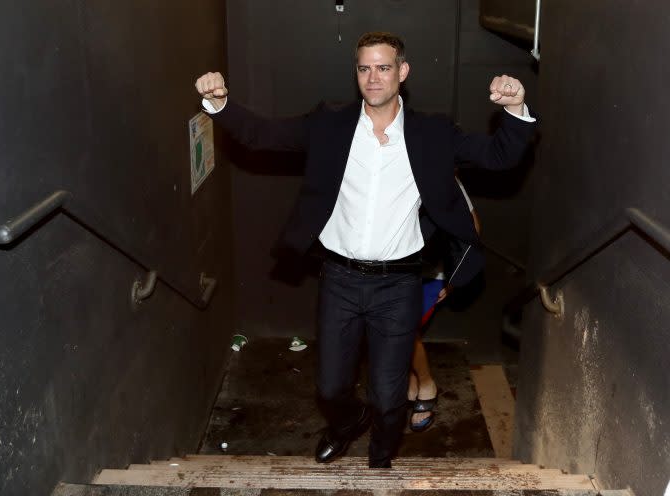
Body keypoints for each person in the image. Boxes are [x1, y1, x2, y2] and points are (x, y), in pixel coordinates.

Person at [195, 31, 536, 468]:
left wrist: (514, 107)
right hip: (339, 279)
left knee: (390, 394)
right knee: (331, 387)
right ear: (356, 72)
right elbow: (263, 135)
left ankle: (380, 463)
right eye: (364, 68)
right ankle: (345, 423)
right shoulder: (329, 125)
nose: (373, 77)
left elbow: (499, 156)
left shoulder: (433, 134)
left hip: (398, 284)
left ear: (403, 72)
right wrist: (220, 103)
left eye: (384, 67)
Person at [407, 177, 480, 432]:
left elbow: (472, 226)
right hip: (386, 270)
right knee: (384, 330)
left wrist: (454, 277)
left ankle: (426, 384)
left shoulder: (443, 175)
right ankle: (411, 378)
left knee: (405, 332)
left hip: (426, 274)